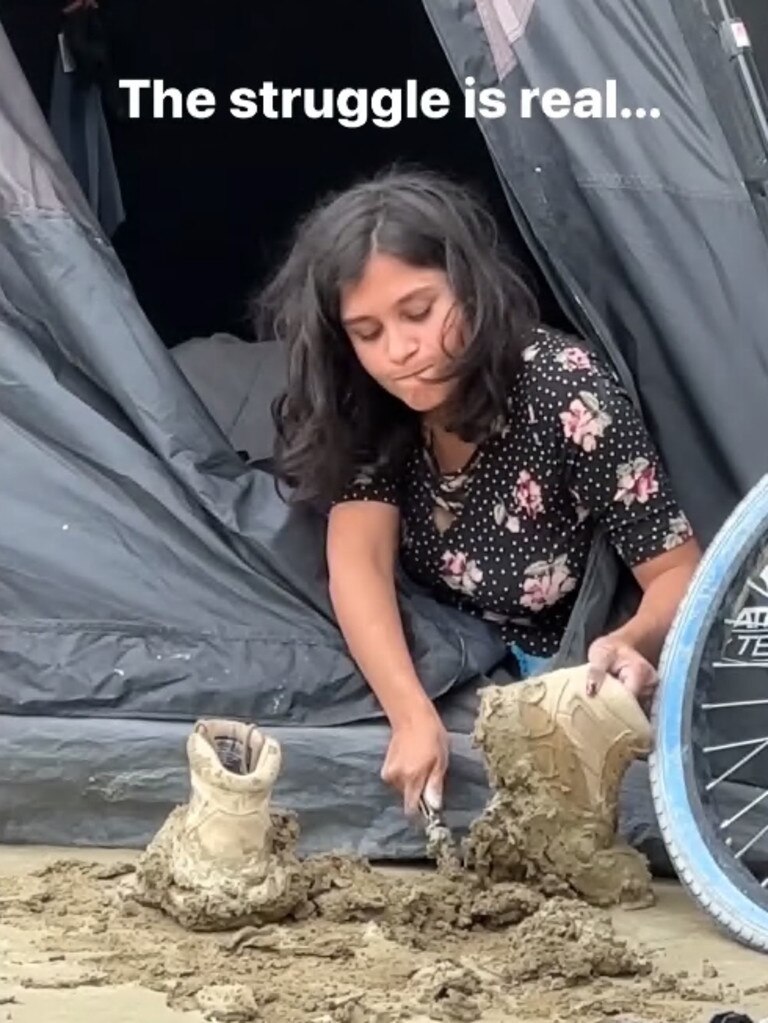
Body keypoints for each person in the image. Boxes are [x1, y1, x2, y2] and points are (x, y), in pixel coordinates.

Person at [257, 166, 702, 817]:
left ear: (470, 287)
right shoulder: (366, 401)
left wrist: (632, 642)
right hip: (443, 651)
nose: (401, 351)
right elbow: (358, 562)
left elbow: (678, 570)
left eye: (419, 312)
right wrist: (410, 715)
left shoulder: (564, 390)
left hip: (556, 659)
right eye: (368, 332)